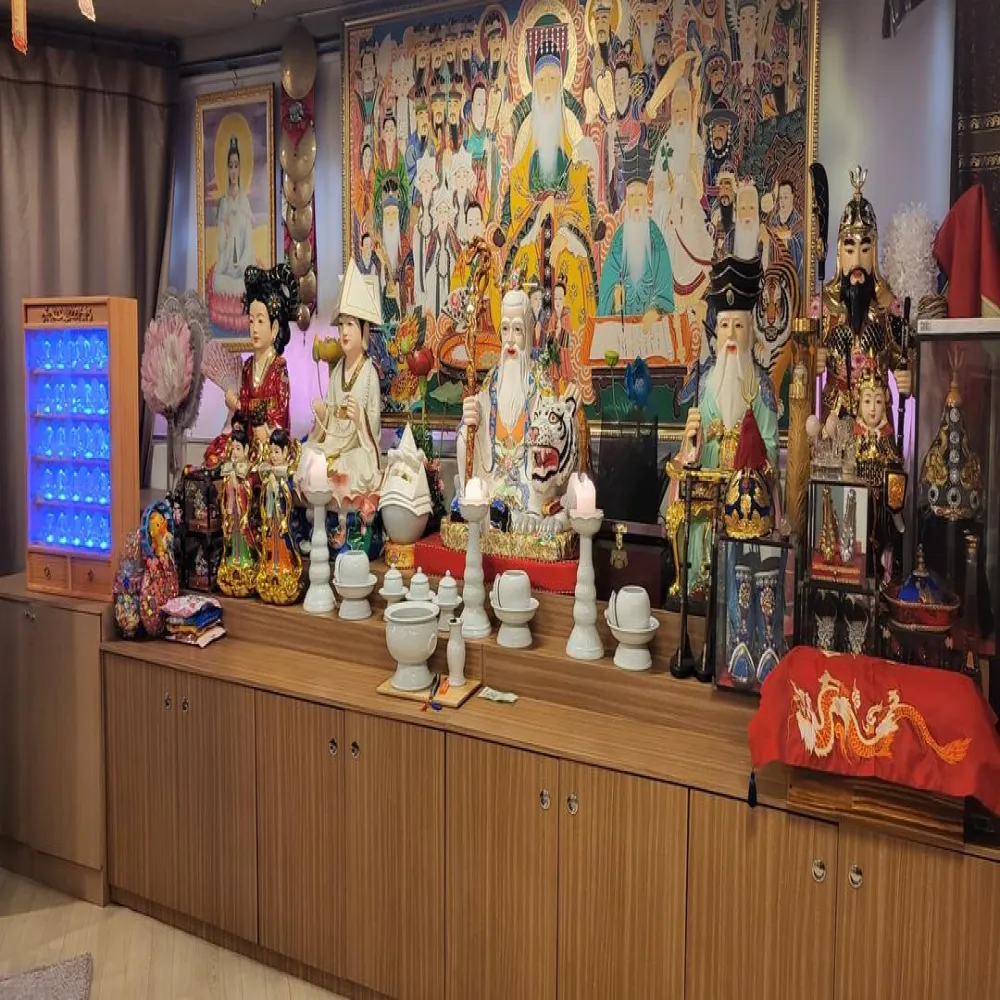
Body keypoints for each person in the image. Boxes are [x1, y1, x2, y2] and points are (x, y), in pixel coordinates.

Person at [497, 22, 604, 332]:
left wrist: (564, 226)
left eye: (553, 80)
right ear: (533, 84)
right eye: (541, 81)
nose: (547, 88)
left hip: (567, 226)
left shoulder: (569, 125)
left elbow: (581, 192)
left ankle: (571, 349)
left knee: (570, 265)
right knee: (523, 271)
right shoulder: (526, 131)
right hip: (531, 228)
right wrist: (534, 214)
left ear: (561, 82)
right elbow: (516, 189)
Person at [816, 166, 910, 430]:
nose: (857, 260)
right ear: (839, 253)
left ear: (874, 252)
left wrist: (908, 376)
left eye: (865, 249)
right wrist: (812, 360)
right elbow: (800, 361)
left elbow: (904, 356)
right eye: (850, 249)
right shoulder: (823, 306)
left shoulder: (888, 305)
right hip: (835, 417)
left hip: (877, 419)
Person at [303, 259, 384, 499]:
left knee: (353, 469)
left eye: (350, 324)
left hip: (356, 450)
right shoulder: (337, 370)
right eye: (341, 325)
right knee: (307, 455)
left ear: (364, 331)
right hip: (333, 446)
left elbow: (373, 430)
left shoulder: (369, 374)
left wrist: (360, 419)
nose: (344, 332)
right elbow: (330, 418)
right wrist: (322, 413)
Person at [203, 262, 297, 467]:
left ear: (274, 328)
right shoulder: (247, 367)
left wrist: (241, 406)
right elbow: (242, 412)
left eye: (260, 321)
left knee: (264, 461)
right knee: (216, 452)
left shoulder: (278, 368)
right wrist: (236, 411)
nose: (254, 328)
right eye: (252, 320)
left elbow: (280, 413)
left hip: (268, 440)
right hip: (246, 440)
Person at [457, 287, 538, 506]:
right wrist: (471, 417)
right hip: (493, 481)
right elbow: (474, 427)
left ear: (529, 332)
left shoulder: (540, 383)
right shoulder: (492, 381)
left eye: (518, 330)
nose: (510, 340)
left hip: (528, 484)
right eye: (505, 329)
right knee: (464, 435)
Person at [597, 145, 674, 325]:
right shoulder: (619, 238)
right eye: (632, 196)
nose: (637, 202)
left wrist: (655, 310)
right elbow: (608, 282)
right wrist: (615, 296)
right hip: (622, 326)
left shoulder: (655, 237)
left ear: (647, 197)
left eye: (640, 195)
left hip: (651, 327)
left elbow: (664, 290)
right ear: (626, 199)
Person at [218, 416, 259, 599]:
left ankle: (245, 558)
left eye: (238, 448)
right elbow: (225, 491)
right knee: (231, 533)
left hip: (242, 511)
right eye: (233, 448)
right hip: (232, 510)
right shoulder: (229, 468)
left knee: (243, 532)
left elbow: (249, 488)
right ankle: (233, 558)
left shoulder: (247, 469)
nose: (234, 453)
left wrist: (238, 483)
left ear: (247, 450)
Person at [213, 137, 257, 297]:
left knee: (248, 282)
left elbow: (249, 245)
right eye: (230, 166)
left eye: (236, 166)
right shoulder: (224, 203)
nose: (233, 171)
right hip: (227, 269)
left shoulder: (244, 202)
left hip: (242, 268)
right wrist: (225, 233)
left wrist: (241, 264)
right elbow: (220, 246)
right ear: (227, 168)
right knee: (217, 282)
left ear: (240, 169)